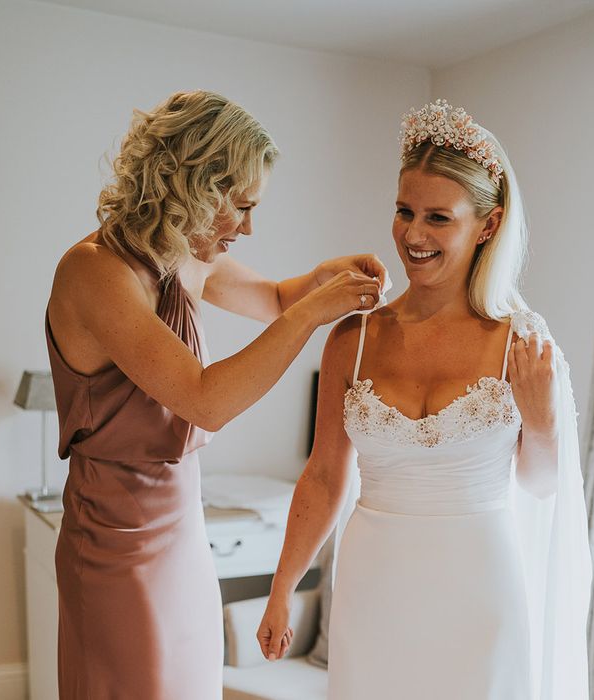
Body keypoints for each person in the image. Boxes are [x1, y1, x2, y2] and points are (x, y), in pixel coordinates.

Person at [45, 90, 388, 700]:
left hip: (183, 534)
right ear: (195, 184)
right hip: (113, 547)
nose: (249, 227)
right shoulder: (95, 273)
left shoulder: (183, 257)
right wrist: (313, 313)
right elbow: (205, 399)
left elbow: (277, 298)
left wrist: (321, 279)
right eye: (241, 206)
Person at [257, 99, 592, 699]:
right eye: (404, 211)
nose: (413, 235)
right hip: (374, 585)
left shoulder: (521, 340)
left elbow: (542, 486)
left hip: (480, 585)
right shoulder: (352, 339)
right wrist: (283, 588)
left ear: (487, 225)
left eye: (439, 218)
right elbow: (325, 477)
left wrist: (541, 421)